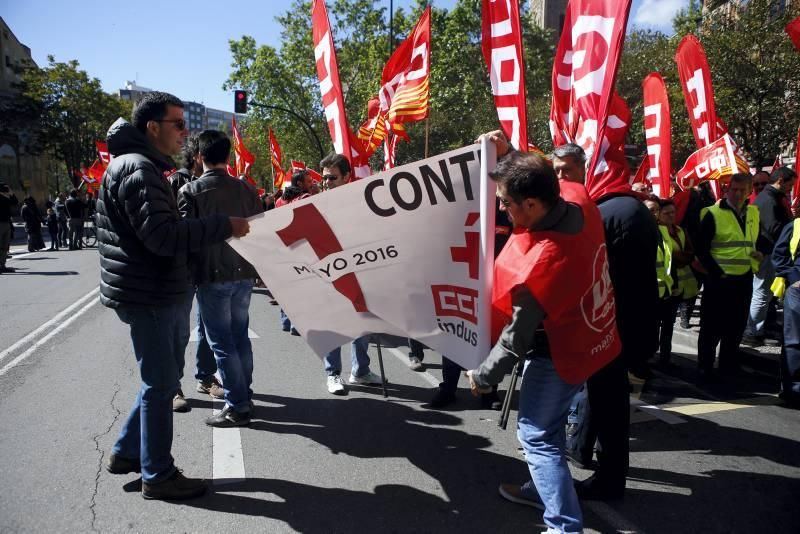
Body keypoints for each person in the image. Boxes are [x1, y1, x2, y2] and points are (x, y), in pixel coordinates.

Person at [97, 91, 250, 500]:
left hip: (149, 290)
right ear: (153, 128)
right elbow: (163, 237)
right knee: (161, 385)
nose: (186, 133)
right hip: (150, 294)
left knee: (158, 381)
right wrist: (223, 225)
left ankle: (127, 452)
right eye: (179, 124)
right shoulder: (139, 170)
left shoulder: (137, 166)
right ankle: (159, 475)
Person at [466, 145, 620, 534]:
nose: (502, 209)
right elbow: (543, 174)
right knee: (549, 428)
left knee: (535, 436)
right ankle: (541, 488)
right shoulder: (576, 195)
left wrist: (482, 377)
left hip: (560, 354)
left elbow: (514, 339)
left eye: (506, 203)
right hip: (595, 335)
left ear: (532, 204)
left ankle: (563, 525)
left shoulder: (542, 265)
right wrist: (508, 152)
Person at [554, 143, 659, 500]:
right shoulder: (632, 207)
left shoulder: (606, 212)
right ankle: (584, 451)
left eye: (566, 170)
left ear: (591, 170)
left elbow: (597, 274)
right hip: (628, 324)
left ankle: (609, 478)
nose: (560, 178)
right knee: (604, 398)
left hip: (611, 326)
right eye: (556, 170)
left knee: (608, 402)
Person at [179, 130, 264, 427]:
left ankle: (238, 405)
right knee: (239, 336)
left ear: (199, 156)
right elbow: (260, 232)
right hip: (243, 274)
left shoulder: (190, 191)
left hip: (211, 275)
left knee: (222, 343)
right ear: (227, 157)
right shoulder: (247, 190)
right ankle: (244, 395)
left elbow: (185, 238)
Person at [318, 153, 384, 394]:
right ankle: (333, 374)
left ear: (346, 177)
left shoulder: (360, 203)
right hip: (330, 274)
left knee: (362, 324)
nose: (327, 182)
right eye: (324, 178)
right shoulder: (315, 205)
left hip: (358, 273)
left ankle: (360, 371)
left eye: (332, 177)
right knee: (334, 325)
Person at [167, 134, 221, 410]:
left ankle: (206, 376)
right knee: (178, 330)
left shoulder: (214, 183)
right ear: (197, 155)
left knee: (208, 326)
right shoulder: (177, 181)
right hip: (183, 269)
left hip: (209, 265)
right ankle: (172, 385)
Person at [695, 173, 760, 382]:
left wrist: (760, 253)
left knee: (736, 326)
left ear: (750, 191)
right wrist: (717, 273)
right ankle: (705, 366)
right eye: (734, 189)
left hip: (743, 278)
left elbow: (757, 239)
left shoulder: (753, 213)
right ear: (726, 189)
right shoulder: (713, 214)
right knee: (711, 327)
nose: (738, 194)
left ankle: (727, 364)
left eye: (742, 190)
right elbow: (701, 250)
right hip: (719, 281)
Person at [743, 167, 797, 347]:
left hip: (767, 253)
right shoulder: (768, 200)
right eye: (790, 185)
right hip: (766, 253)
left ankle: (759, 329)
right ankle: (752, 332)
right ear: (781, 181)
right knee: (761, 293)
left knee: (764, 294)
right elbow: (773, 230)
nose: (791, 189)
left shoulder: (770, 198)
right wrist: (791, 228)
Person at [657, 198, 696, 366]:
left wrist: (680, 256)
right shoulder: (657, 233)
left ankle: (665, 357)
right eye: (667, 213)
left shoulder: (680, 230)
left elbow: (689, 253)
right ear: (659, 215)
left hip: (677, 285)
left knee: (668, 324)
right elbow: (671, 257)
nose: (671, 216)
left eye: (673, 212)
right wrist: (680, 256)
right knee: (656, 324)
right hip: (662, 285)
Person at [773, 218, 800, 406]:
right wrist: (794, 278)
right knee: (794, 342)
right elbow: (779, 256)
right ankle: (793, 390)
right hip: (798, 290)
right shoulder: (795, 225)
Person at [0, 182, 19, 273]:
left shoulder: (6, 199)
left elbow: (15, 202)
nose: (7, 190)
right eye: (5, 189)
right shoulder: (4, 199)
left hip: (6, 223)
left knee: (4, 246)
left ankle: (2, 265)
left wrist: (11, 193)